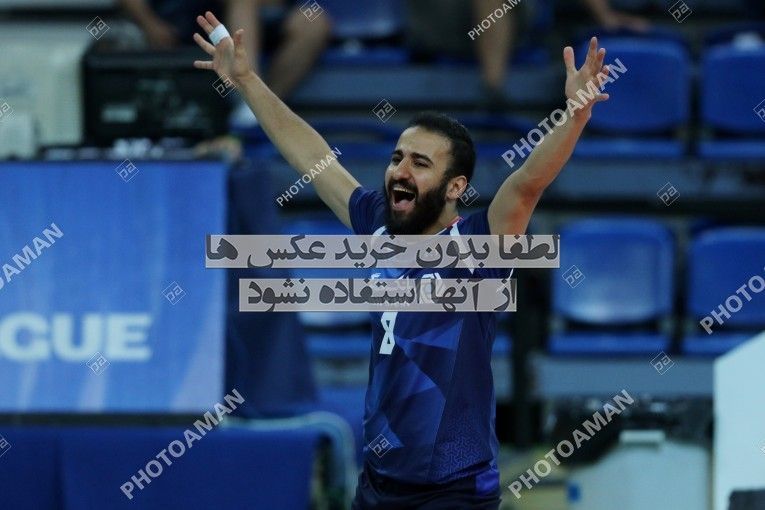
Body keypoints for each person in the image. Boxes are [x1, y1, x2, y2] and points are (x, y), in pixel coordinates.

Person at [192, 10, 610, 508]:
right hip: (379, 484)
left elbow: (526, 185)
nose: (400, 171)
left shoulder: (479, 245)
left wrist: (574, 115)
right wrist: (247, 80)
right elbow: (310, 155)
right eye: (396, 158)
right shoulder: (377, 224)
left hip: (454, 490)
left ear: (455, 187)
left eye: (420, 163)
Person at [119, 0, 331, 100]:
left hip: (260, 17)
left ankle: (263, 106)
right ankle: (248, 96)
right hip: (191, 16)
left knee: (313, 22)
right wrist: (149, 24)